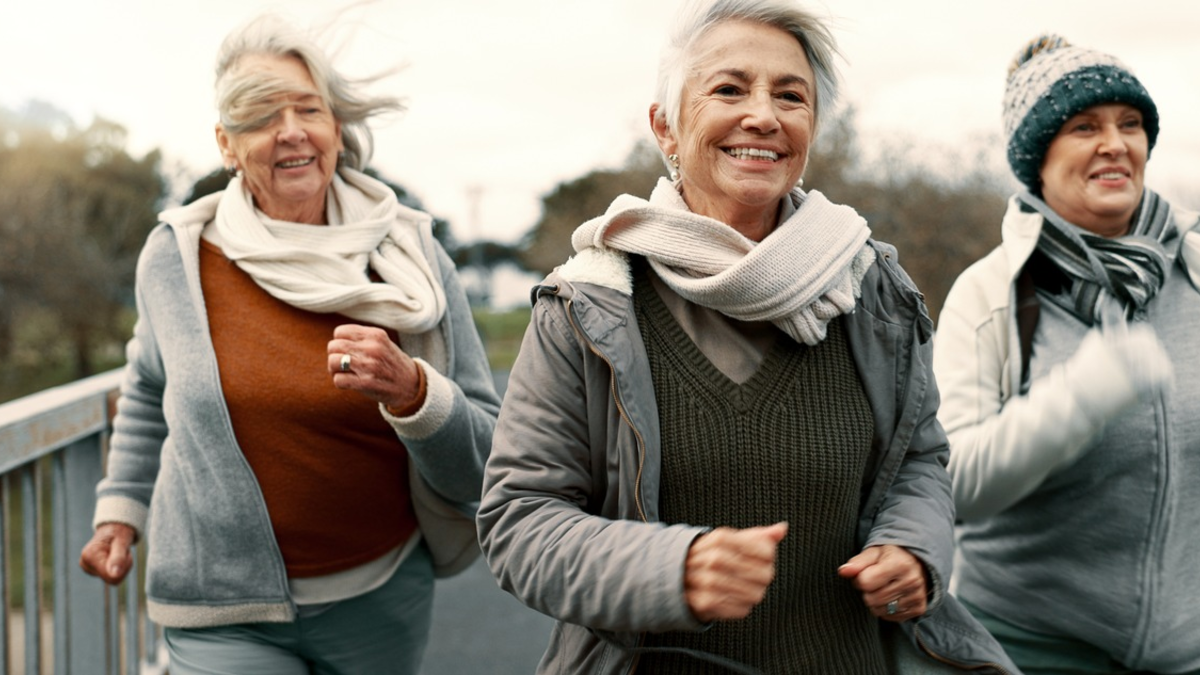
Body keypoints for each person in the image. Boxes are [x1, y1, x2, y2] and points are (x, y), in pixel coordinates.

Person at [477, 1, 1019, 673]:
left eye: (790, 96)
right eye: (729, 89)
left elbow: (918, 461)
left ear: (811, 128)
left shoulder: (873, 288)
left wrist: (914, 547)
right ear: (666, 127)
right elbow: (519, 520)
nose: (763, 114)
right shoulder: (588, 304)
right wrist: (671, 568)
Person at [77, 14, 500, 675]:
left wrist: (414, 391)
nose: (292, 130)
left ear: (336, 127)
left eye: (309, 109)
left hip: (379, 595)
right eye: (261, 116)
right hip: (217, 607)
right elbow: (148, 391)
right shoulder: (176, 257)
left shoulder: (413, 255)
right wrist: (118, 513)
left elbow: (486, 456)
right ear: (226, 142)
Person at [933, 35, 1200, 675]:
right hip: (1028, 648)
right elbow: (955, 484)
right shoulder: (991, 293)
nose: (1115, 143)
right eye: (1084, 126)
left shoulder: (1194, 268)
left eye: (1130, 124)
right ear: (1038, 159)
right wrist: (1085, 394)